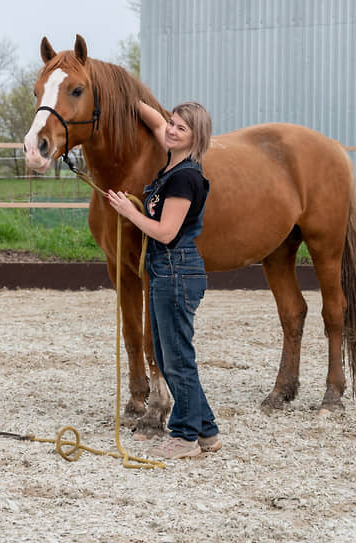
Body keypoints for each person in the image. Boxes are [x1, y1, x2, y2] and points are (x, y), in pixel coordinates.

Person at [105, 100, 221, 460]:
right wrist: (119, 93)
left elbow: (166, 232)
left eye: (181, 128)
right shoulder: (172, 161)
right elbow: (153, 119)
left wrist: (128, 211)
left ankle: (185, 436)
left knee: (176, 360)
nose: (171, 130)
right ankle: (208, 432)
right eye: (171, 123)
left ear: (195, 137)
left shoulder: (185, 177)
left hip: (175, 268)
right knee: (170, 354)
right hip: (164, 271)